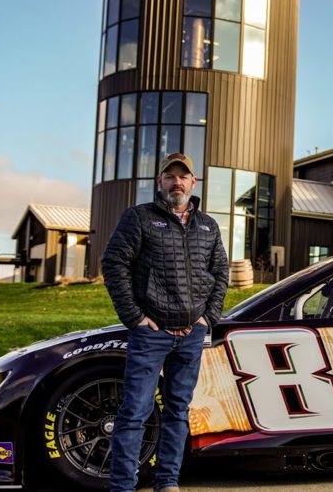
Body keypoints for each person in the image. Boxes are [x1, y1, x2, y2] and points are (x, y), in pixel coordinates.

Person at [102, 152, 229, 492]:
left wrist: (207, 318)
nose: (177, 182)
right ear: (159, 182)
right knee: (134, 413)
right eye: (170, 176)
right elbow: (114, 266)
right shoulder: (139, 218)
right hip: (151, 335)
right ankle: (122, 487)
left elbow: (220, 273)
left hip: (190, 336)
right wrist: (135, 317)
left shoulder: (209, 226)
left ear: (193, 182)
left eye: (183, 176)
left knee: (177, 412)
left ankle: (167, 482)